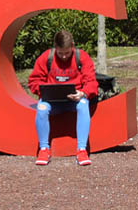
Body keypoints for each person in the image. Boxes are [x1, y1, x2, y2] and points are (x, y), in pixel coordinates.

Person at [28, 30, 98, 166]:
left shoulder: (81, 57)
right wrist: (44, 91)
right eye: (60, 53)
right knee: (41, 108)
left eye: (67, 53)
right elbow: (34, 81)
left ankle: (82, 150)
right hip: (51, 101)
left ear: (72, 46)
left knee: (83, 105)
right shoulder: (46, 57)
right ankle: (44, 149)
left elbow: (92, 82)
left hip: (75, 100)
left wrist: (82, 93)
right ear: (55, 47)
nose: (64, 56)